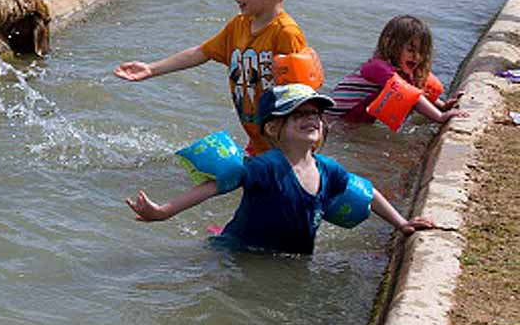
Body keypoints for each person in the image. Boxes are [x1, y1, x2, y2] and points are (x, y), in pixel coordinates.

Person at [125, 84, 432, 254]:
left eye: (315, 113)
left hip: (292, 256)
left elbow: (368, 192)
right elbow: (215, 186)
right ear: (272, 127)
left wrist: (402, 224)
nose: (311, 118)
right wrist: (163, 211)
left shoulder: (328, 170)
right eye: (298, 113)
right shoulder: (266, 167)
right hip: (241, 251)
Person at [115, 0, 308, 155]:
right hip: (257, 141)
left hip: (285, 147)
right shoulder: (239, 25)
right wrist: (151, 69)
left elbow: (300, 97)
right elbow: (201, 53)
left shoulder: (286, 34)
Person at [330, 15, 466, 130]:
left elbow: (417, 92)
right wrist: (439, 117)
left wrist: (443, 106)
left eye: (421, 52)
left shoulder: (402, 73)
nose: (417, 57)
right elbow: (412, 95)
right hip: (331, 120)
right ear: (389, 43)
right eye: (411, 50)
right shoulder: (378, 67)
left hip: (350, 125)